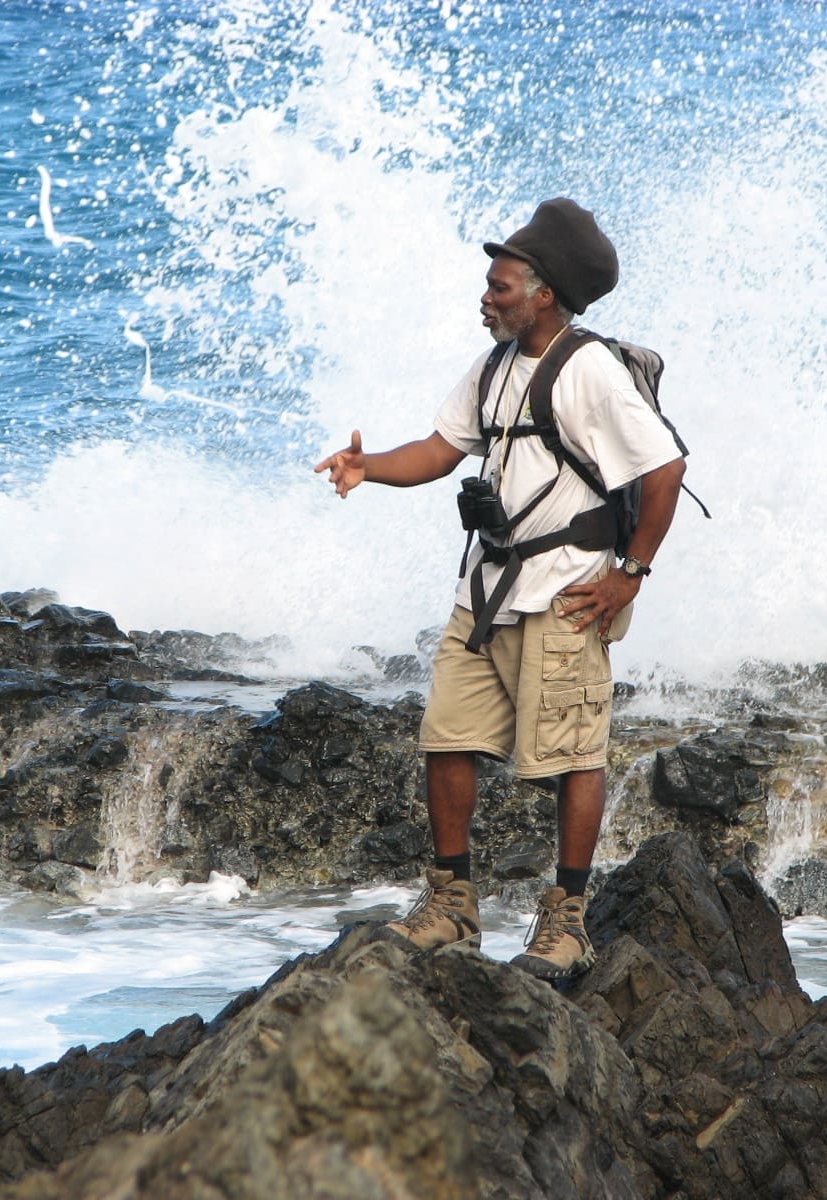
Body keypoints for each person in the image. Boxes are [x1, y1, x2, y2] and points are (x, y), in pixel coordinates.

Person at [315, 198, 687, 981]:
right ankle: (452, 905)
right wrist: (366, 466)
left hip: (566, 590)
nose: (486, 297)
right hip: (486, 589)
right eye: (489, 286)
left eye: (500, 287)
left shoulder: (590, 370)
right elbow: (440, 449)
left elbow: (666, 469)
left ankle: (568, 921)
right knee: (446, 741)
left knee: (572, 757)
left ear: (544, 292)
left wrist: (631, 576)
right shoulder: (491, 367)